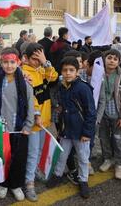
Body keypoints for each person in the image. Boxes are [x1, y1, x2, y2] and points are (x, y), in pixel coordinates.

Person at [0, 47, 34, 202]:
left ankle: (16, 184)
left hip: (18, 129)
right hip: (0, 128)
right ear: (1, 63)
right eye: (5, 62)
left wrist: (28, 126)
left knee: (18, 158)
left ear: (18, 62)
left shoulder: (25, 83)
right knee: (2, 157)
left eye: (12, 62)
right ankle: (3, 183)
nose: (9, 65)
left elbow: (30, 105)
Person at [46, 56, 96, 199]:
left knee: (82, 157)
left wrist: (87, 132)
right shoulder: (62, 87)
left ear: (77, 71)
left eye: (71, 70)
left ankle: (83, 180)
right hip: (66, 131)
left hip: (81, 132)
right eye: (65, 70)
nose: (68, 73)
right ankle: (57, 174)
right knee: (61, 155)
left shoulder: (83, 88)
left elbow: (90, 112)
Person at [22, 43, 58, 202]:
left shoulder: (43, 70)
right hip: (34, 121)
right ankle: (28, 183)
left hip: (45, 119)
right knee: (32, 152)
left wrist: (45, 62)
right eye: (35, 59)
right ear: (27, 59)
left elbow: (54, 77)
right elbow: (31, 98)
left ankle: (35, 171)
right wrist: (36, 114)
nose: (37, 62)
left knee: (39, 149)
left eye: (40, 58)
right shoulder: (24, 73)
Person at [96, 49, 121, 179]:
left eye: (115, 59)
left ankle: (119, 163)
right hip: (102, 114)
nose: (112, 61)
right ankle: (107, 159)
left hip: (117, 115)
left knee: (117, 139)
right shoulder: (98, 73)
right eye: (109, 58)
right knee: (103, 137)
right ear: (104, 60)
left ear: (119, 62)